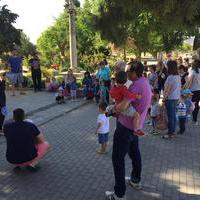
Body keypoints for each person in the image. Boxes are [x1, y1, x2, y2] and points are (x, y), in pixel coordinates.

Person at [105, 61, 152, 200]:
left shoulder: (135, 86)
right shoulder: (145, 82)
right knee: (134, 153)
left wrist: (112, 110)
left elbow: (122, 107)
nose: (126, 74)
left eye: (128, 71)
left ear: (134, 72)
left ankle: (119, 194)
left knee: (117, 159)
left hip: (125, 128)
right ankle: (135, 180)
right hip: (135, 128)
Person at [108, 71, 144, 136]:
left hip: (117, 104)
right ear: (125, 80)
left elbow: (111, 94)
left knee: (113, 107)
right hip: (126, 108)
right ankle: (136, 130)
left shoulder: (114, 88)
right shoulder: (123, 89)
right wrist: (137, 96)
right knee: (137, 115)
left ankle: (111, 111)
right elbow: (129, 95)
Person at [162, 60, 181, 139]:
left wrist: (164, 99)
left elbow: (168, 90)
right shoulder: (178, 76)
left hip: (170, 99)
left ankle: (170, 133)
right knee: (173, 116)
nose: (166, 67)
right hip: (176, 98)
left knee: (170, 117)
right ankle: (172, 131)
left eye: (167, 66)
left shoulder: (170, 77)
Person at [185, 59, 200, 125]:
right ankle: (195, 119)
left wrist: (185, 90)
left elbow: (189, 82)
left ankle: (193, 119)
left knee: (192, 105)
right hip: (198, 90)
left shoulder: (193, 71)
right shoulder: (199, 71)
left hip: (193, 90)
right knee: (196, 105)